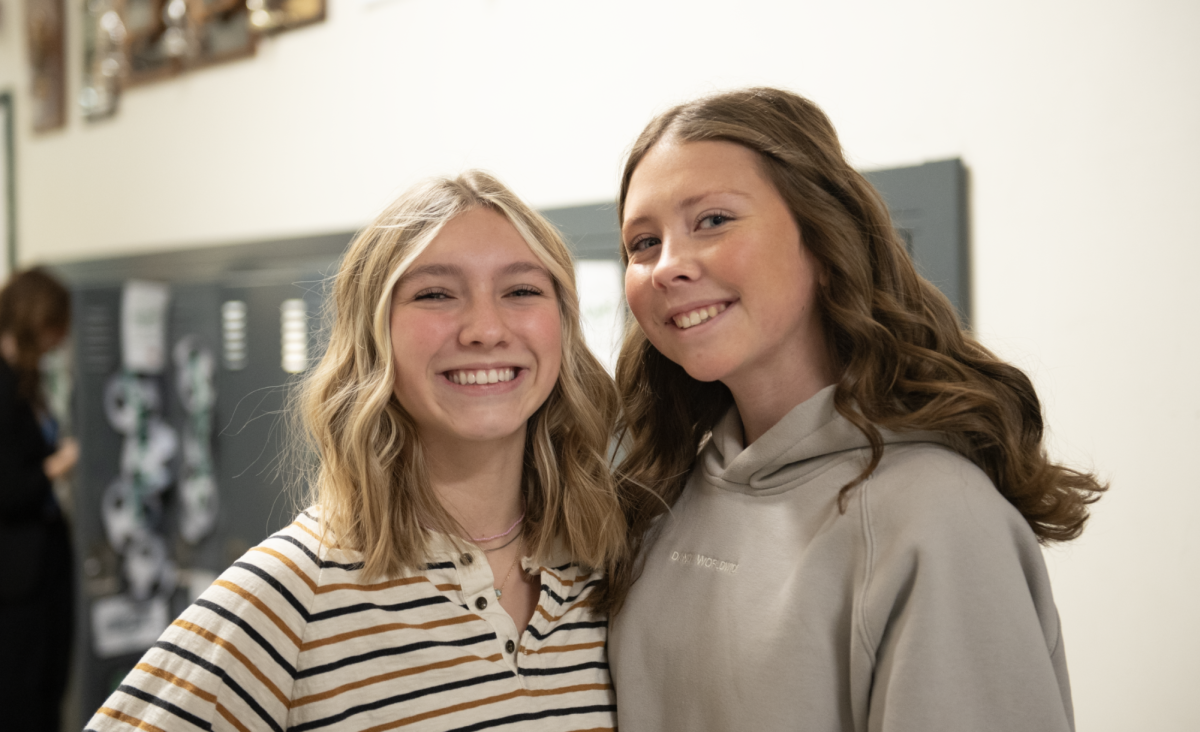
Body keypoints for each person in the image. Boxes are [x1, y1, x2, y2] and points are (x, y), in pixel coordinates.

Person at [601, 88, 1107, 732]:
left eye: (713, 221)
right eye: (643, 243)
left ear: (822, 237)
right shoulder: (659, 502)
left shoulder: (937, 515)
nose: (668, 265)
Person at [87, 171, 624, 731]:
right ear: (373, 336)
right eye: (435, 294)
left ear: (562, 324)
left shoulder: (605, 570)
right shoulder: (289, 593)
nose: (485, 329)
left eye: (521, 291)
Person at [0, 267, 78, 732]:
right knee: (21, 694)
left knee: (49, 686)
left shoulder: (27, 380)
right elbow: (7, 487)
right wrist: (57, 465)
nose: (60, 339)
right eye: (56, 326)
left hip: (44, 561)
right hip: (15, 576)